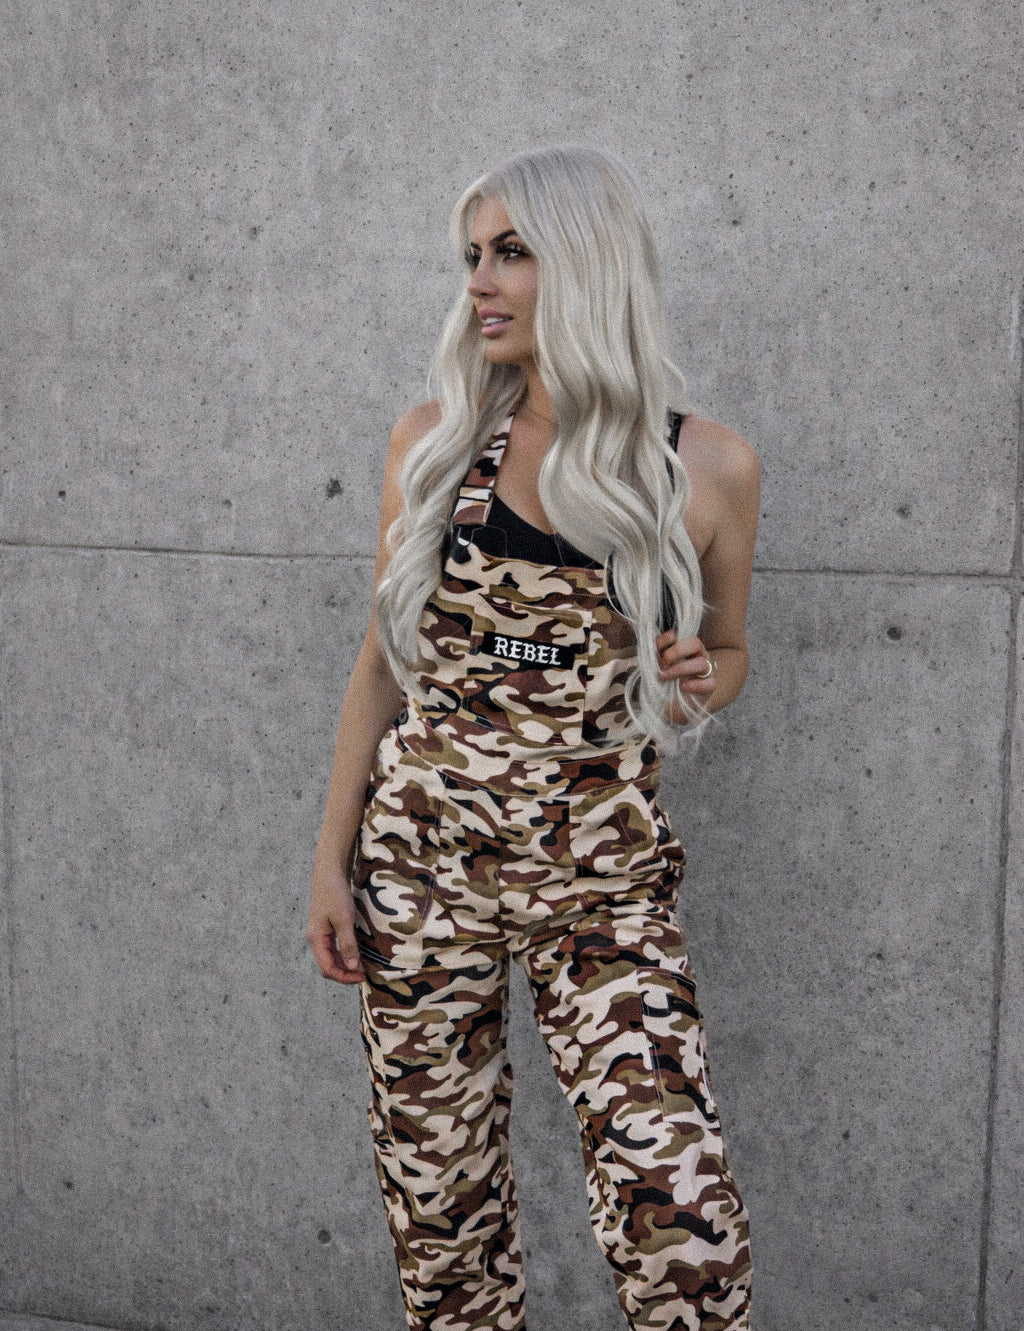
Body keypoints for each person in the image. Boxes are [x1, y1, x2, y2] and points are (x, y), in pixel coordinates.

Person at [308, 144, 760, 1331]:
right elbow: (381, 663)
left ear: (587, 263)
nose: (479, 281)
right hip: (418, 875)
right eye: (472, 254)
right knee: (442, 1224)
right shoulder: (434, 442)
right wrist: (329, 862)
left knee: (684, 1232)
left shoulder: (706, 467)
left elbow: (728, 653)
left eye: (511, 251)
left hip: (601, 886)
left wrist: (692, 681)